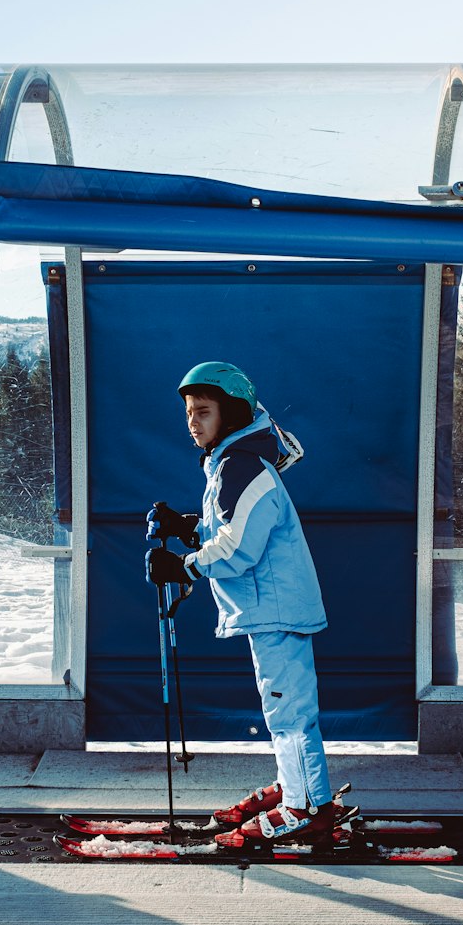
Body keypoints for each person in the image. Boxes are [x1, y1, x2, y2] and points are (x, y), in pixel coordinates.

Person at [145, 361, 339, 847]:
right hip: (268, 606)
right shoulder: (232, 462)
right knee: (283, 707)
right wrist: (187, 527)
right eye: (189, 412)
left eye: (204, 411)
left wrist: (183, 564)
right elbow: (231, 529)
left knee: (288, 711)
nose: (192, 421)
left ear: (231, 414)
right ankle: (300, 789)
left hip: (274, 607)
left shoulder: (244, 465)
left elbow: (238, 549)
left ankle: (304, 809)